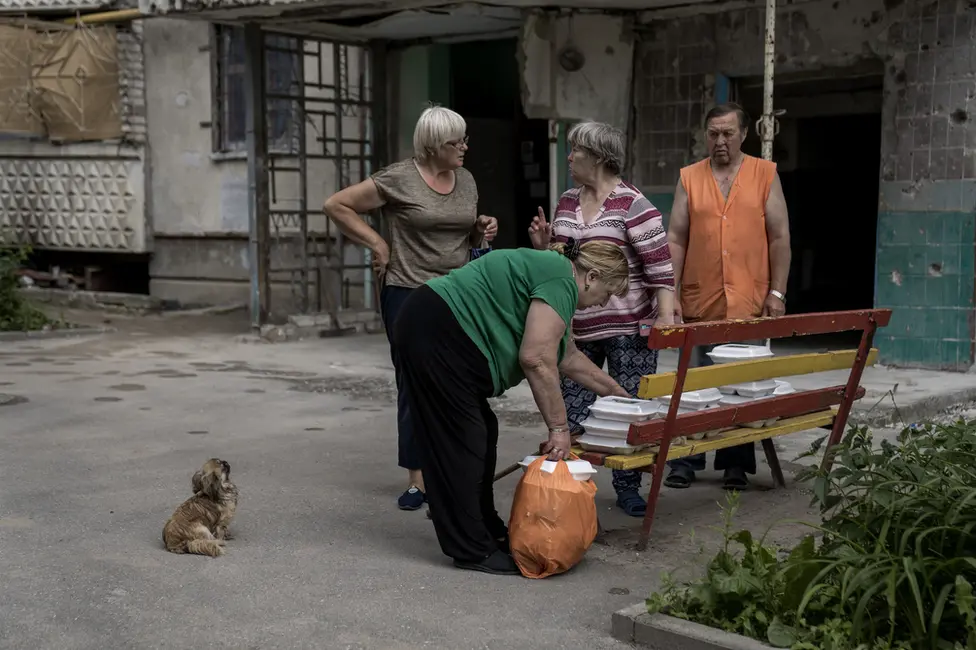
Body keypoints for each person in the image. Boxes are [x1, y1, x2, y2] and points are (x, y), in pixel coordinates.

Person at [392, 239, 632, 575]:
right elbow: (536, 358)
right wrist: (559, 429)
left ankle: (486, 531)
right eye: (607, 293)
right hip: (437, 330)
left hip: (435, 327)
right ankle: (471, 548)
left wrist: (617, 393)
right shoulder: (562, 281)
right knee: (463, 440)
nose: (603, 303)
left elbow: (567, 356)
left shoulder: (557, 277)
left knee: (481, 431)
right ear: (591, 276)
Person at [323, 105, 498, 512]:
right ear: (435, 145)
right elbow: (337, 205)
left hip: (459, 292)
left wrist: (481, 228)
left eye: (465, 138)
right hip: (408, 293)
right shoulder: (398, 178)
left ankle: (453, 469)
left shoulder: (466, 179)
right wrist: (378, 244)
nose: (465, 147)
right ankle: (419, 480)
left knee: (459, 380)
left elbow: (463, 231)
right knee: (414, 383)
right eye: (458, 141)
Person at [527, 121, 675, 518]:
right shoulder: (567, 202)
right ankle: (571, 484)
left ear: (598, 156)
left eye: (576, 150)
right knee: (574, 412)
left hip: (629, 330)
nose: (569, 157)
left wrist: (663, 321)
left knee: (628, 412)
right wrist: (544, 246)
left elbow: (661, 270)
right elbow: (561, 262)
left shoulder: (633, 204)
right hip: (576, 328)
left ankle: (629, 489)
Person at [665, 102, 791, 491]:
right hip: (699, 300)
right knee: (695, 384)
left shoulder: (764, 174)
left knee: (741, 385)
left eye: (728, 133)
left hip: (748, 300)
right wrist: (670, 294)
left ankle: (735, 464)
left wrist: (777, 291)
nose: (720, 141)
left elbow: (780, 236)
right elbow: (675, 238)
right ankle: (686, 461)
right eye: (713, 133)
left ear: (744, 134)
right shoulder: (690, 177)